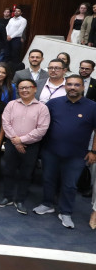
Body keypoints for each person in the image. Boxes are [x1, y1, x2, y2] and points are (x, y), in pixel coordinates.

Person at [30, 75, 96, 229]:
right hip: (50, 151)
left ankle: (66, 212)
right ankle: (47, 204)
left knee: (70, 185)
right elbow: (42, 123)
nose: (73, 87)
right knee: (48, 179)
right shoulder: (53, 103)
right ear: (65, 86)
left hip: (77, 154)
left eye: (77, 85)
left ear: (83, 87)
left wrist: (93, 151)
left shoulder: (92, 106)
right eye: (70, 84)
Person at [0, 79, 50, 215]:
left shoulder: (42, 108)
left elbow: (42, 129)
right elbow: (5, 123)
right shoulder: (11, 104)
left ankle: (20, 200)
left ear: (34, 89)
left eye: (27, 87)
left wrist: (21, 140)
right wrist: (16, 141)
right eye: (21, 88)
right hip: (12, 144)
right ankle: (7, 197)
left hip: (31, 146)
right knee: (8, 171)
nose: (24, 90)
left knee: (26, 174)